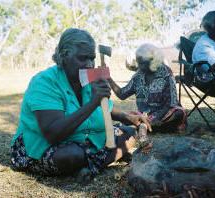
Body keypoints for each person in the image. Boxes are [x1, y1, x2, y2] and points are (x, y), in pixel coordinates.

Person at [10, 28, 151, 181]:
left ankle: (87, 165)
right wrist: (92, 103)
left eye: (92, 58)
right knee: (72, 155)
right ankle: (94, 163)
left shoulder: (86, 77)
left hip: (85, 140)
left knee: (130, 134)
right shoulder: (44, 82)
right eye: (83, 58)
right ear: (64, 55)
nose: (90, 65)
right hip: (44, 146)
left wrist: (127, 117)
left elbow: (106, 106)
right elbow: (53, 133)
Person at [108, 43, 187, 133]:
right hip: (143, 115)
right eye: (138, 63)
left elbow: (170, 104)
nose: (139, 66)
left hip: (163, 114)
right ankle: (150, 126)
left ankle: (149, 126)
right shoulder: (138, 76)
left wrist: (155, 118)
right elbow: (122, 94)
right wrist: (109, 78)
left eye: (141, 63)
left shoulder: (166, 73)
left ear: (152, 62)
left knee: (178, 113)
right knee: (124, 114)